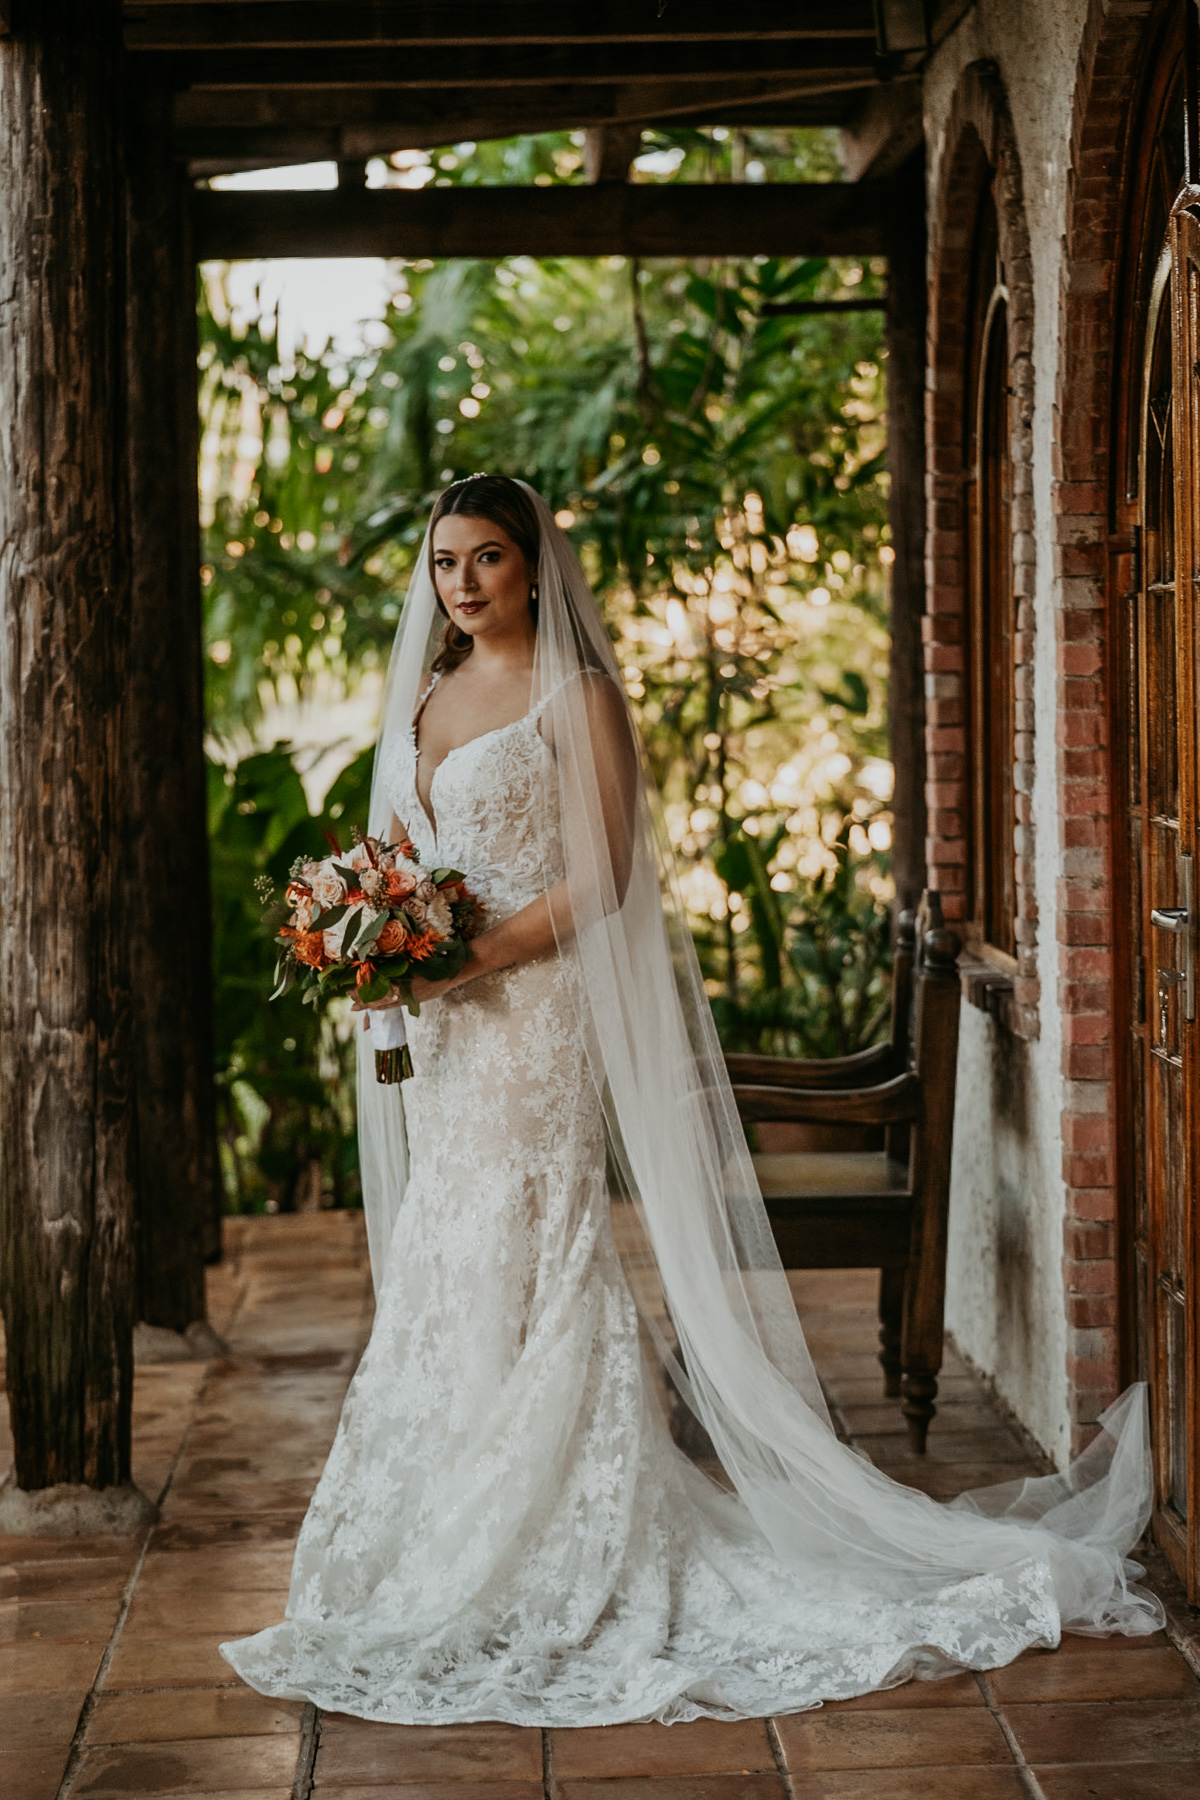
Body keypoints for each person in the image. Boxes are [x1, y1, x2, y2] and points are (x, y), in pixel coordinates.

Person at [221, 476, 1161, 1727]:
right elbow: (403, 858)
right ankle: (446, 1522)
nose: (462, 583)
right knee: (460, 1248)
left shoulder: (579, 695)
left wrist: (472, 957)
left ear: (534, 563)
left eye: (488, 557)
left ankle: (566, 1532)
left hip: (533, 1013)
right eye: (446, 561)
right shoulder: (429, 691)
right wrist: (376, 950)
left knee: (533, 1241)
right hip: (442, 1027)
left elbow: (606, 877)